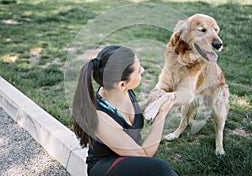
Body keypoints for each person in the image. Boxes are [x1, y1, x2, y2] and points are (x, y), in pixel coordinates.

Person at [72, 45, 177, 176]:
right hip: (107, 167)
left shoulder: (119, 90)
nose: (143, 70)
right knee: (161, 168)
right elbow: (143, 155)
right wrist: (161, 115)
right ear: (122, 84)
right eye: (138, 71)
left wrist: (150, 102)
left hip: (129, 159)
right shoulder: (101, 118)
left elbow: (128, 112)